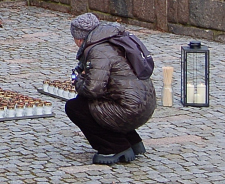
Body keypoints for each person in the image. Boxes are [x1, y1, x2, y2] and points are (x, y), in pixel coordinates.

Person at [65, 13, 157, 164]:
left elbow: (92, 89)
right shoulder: (113, 39)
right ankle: (132, 141)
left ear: (79, 38)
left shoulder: (98, 51)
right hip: (145, 104)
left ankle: (114, 147)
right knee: (98, 101)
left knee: (76, 107)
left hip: (130, 110)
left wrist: (78, 79)